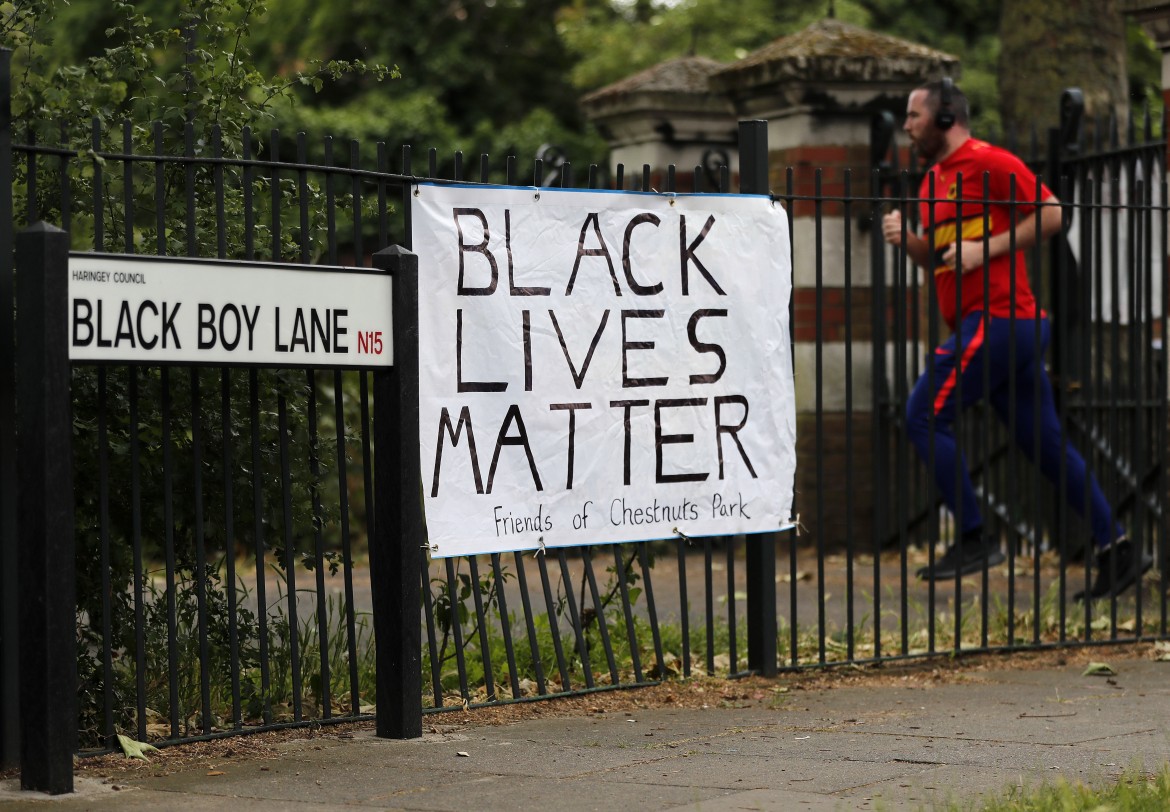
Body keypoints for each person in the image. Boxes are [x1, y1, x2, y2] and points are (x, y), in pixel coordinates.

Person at [880, 78, 1151, 598]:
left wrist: (988, 249)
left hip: (1002, 320)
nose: (907, 126)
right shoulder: (932, 181)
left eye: (914, 116)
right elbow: (939, 260)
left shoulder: (991, 162)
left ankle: (974, 535)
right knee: (1046, 447)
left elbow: (1052, 214)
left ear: (944, 119)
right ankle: (1118, 549)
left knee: (924, 414)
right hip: (990, 329)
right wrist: (907, 241)